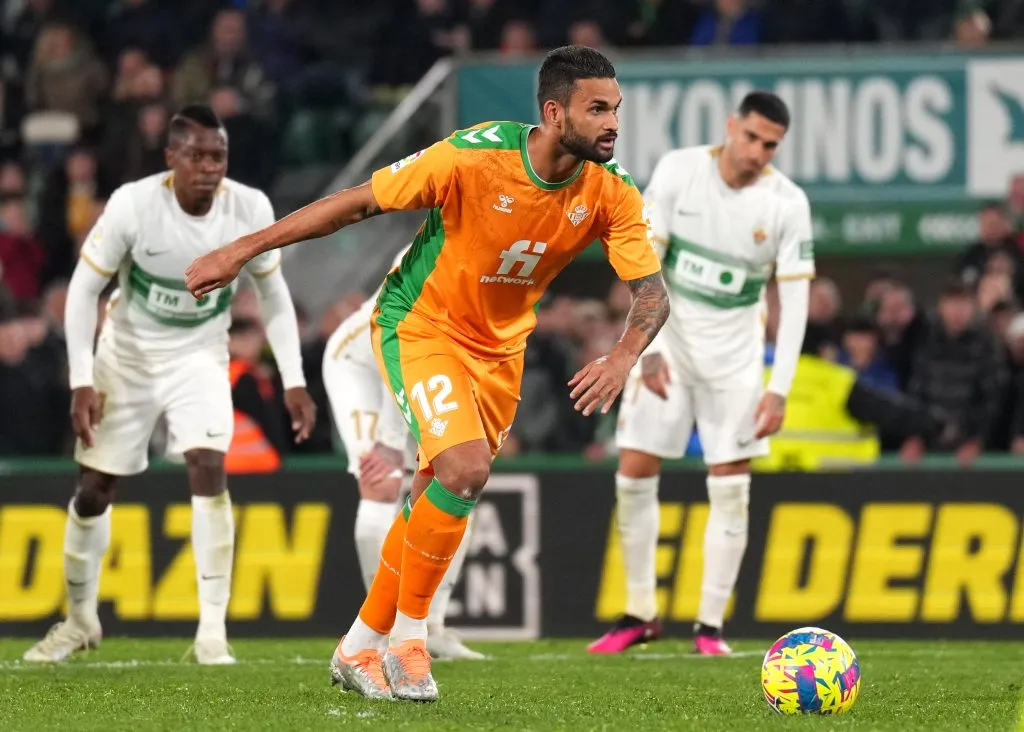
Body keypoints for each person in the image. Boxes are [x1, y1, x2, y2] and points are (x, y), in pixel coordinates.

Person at [185, 46, 669, 701]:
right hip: (422, 323)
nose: (613, 123)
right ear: (555, 114)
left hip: (500, 353)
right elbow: (358, 204)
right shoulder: (474, 156)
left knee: (438, 494)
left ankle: (359, 645)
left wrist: (622, 356)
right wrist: (242, 250)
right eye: (598, 109)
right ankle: (409, 644)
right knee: (465, 469)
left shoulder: (612, 190)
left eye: (616, 109)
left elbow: (651, 293)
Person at [23, 105, 317, 666]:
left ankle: (212, 632)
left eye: (218, 156)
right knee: (94, 490)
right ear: (171, 158)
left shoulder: (249, 207)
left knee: (208, 465)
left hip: (200, 355)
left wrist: (294, 378)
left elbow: (274, 295)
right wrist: (81, 379)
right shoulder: (134, 205)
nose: (209, 167)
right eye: (197, 156)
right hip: (127, 356)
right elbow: (83, 290)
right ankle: (80, 620)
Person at [590, 92, 812, 656]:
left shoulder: (788, 204)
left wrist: (779, 388)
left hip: (736, 362)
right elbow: (644, 263)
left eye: (771, 145)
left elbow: (795, 303)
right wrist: (648, 349)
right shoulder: (679, 170)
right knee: (634, 471)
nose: (758, 152)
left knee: (731, 486)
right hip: (670, 347)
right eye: (752, 137)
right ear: (731, 126)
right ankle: (640, 612)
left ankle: (710, 627)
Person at [322, 245, 483, 661]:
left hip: (424, 368)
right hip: (362, 363)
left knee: (457, 483)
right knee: (382, 481)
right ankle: (380, 628)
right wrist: (391, 442)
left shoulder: (505, 261)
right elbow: (396, 338)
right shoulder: (429, 251)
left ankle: (433, 626)